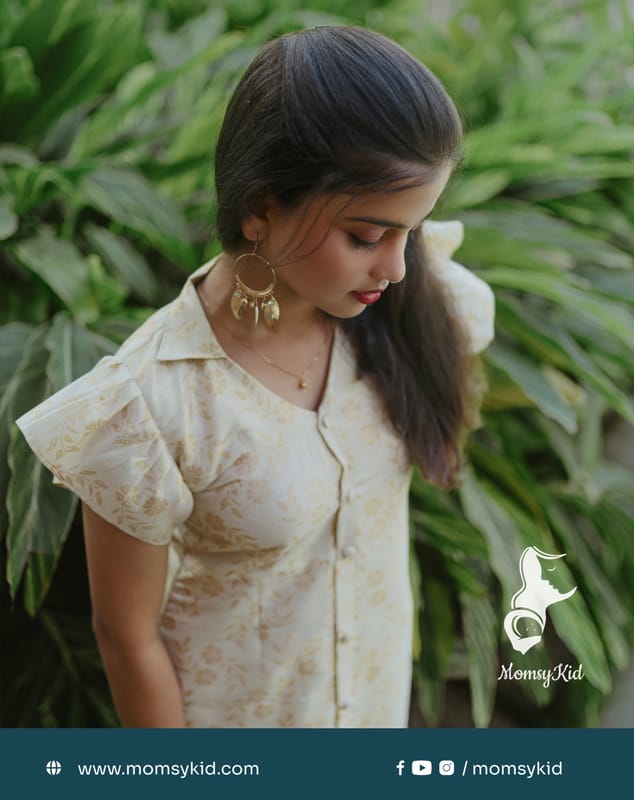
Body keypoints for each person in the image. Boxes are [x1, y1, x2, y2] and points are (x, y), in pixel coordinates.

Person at [15, 25, 494, 728]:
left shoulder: (408, 308)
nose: (395, 267)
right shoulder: (154, 403)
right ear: (261, 209)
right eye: (367, 236)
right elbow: (125, 636)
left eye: (411, 232)